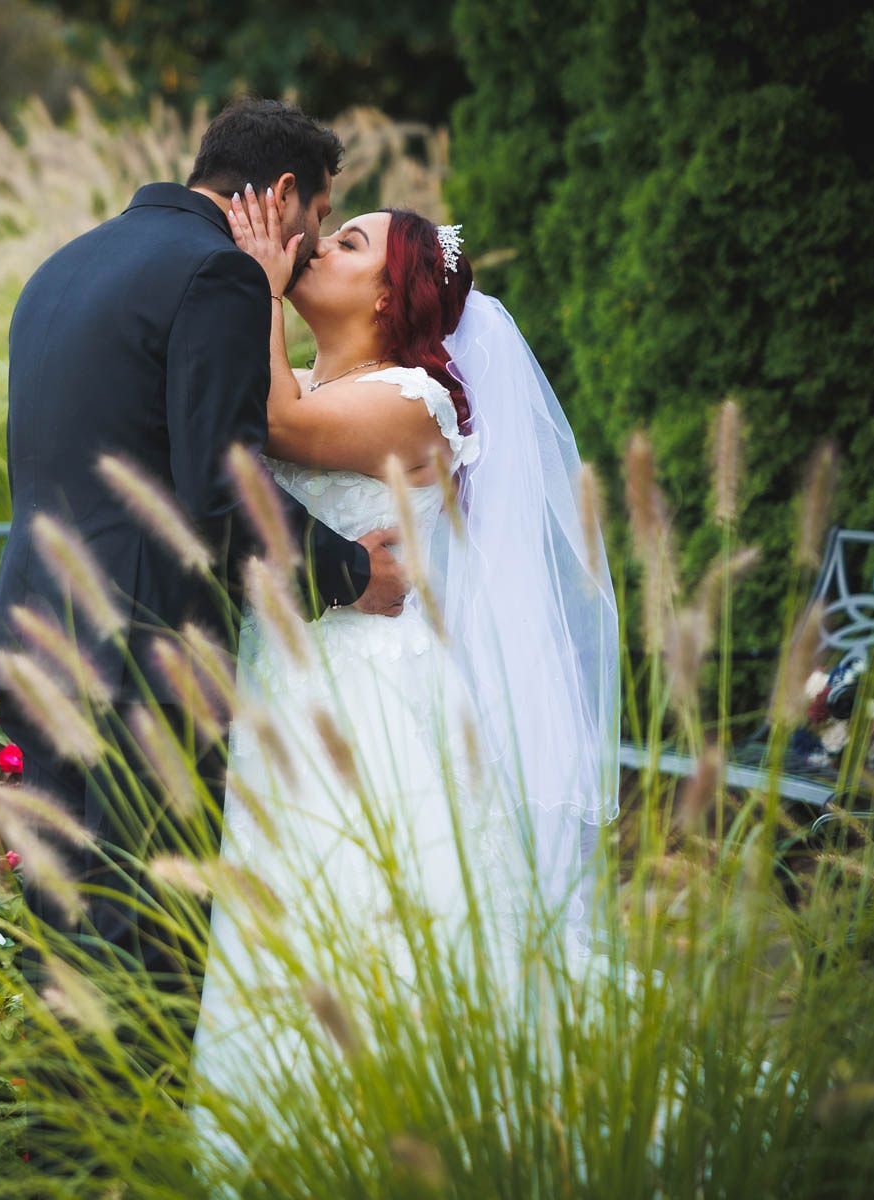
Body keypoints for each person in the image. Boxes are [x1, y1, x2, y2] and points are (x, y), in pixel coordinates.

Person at [187, 188, 621, 1169]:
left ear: (389, 299)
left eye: (346, 244)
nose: (316, 249)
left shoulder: (413, 403)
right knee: (285, 923)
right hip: (287, 694)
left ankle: (401, 1149)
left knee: (370, 917)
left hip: (372, 703)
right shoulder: (307, 374)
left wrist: (252, 285)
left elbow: (277, 426)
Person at [0, 98, 410, 991]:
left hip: (38, 633)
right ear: (285, 193)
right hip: (145, 654)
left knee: (65, 941)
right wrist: (353, 572)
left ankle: (58, 1137)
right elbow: (222, 489)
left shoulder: (62, 268)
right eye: (322, 216)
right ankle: (130, 1135)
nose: (313, 240)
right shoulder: (215, 275)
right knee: (148, 951)